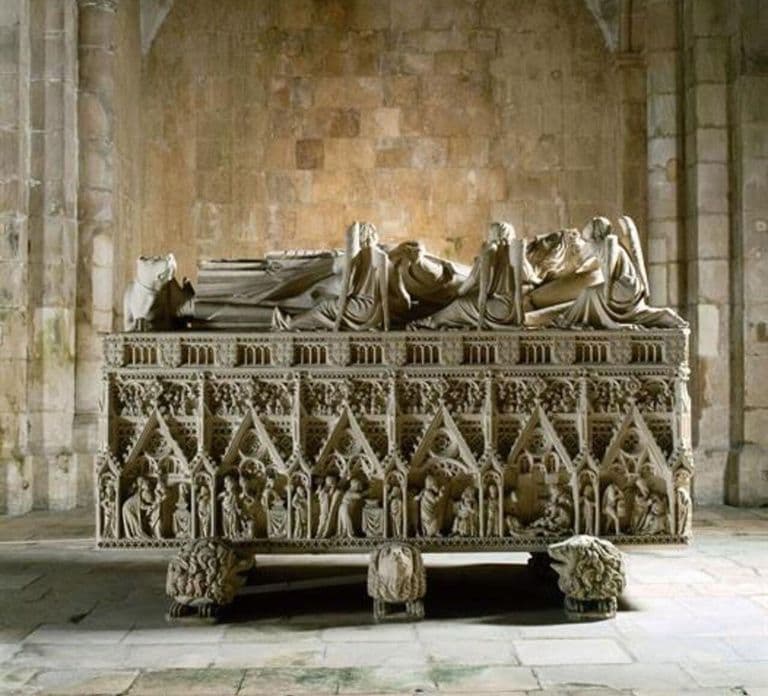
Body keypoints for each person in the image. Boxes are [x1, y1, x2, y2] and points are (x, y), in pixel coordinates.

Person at [411, 222, 529, 330]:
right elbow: (530, 277)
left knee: (458, 305)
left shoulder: (488, 253)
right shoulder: (517, 254)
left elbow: (471, 281)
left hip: (497, 309)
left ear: (493, 234)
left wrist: (455, 294)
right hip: (513, 309)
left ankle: (429, 322)